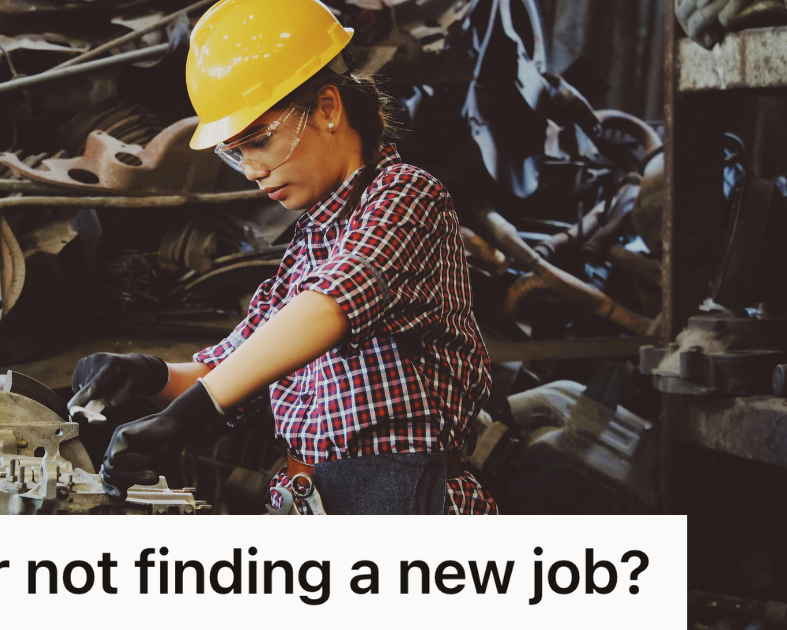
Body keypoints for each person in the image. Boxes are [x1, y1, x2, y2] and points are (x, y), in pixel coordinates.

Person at [65, 0, 495, 514]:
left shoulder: (406, 196)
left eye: (259, 140)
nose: (250, 170)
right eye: (235, 153)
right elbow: (230, 370)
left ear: (329, 108)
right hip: (310, 504)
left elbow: (332, 303)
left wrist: (186, 416)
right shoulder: (309, 243)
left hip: (403, 505)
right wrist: (146, 373)